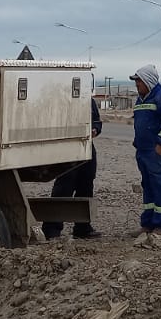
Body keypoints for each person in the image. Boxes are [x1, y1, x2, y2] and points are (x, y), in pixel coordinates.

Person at [42, 97, 102, 240]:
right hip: (67, 148)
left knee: (86, 187)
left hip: (86, 149)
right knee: (64, 187)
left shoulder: (89, 100)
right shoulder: (62, 99)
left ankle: (82, 228)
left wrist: (95, 129)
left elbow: (97, 122)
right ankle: (51, 230)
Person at [130, 64, 161, 238]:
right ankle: (148, 223)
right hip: (143, 152)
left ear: (148, 81)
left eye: (139, 82)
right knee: (148, 187)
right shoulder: (140, 100)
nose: (137, 85)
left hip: (158, 152)